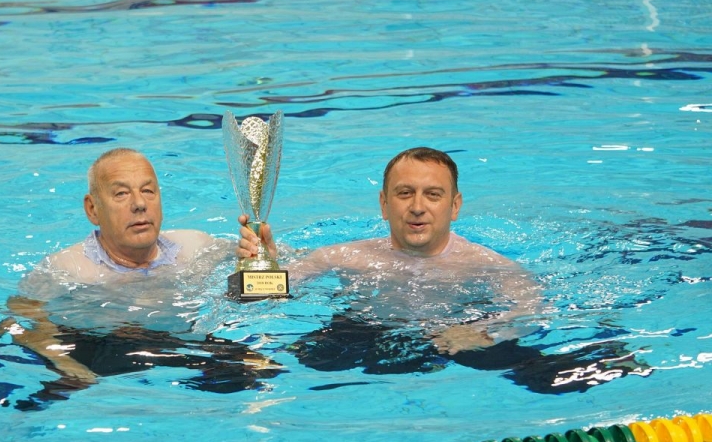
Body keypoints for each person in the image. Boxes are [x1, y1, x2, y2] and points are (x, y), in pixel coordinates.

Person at [236, 147, 647, 393]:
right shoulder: (342, 256)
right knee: (277, 366)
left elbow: (531, 309)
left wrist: (487, 330)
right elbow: (259, 297)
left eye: (433, 195)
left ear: (454, 206)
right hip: (360, 331)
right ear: (384, 204)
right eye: (405, 193)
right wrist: (257, 268)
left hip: (453, 336)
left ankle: (612, 360)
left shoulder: (487, 265)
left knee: (540, 376)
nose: (418, 207)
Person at [0, 147, 281, 405]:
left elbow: (281, 279)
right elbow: (15, 321)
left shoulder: (197, 248)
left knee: (268, 370)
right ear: (93, 209)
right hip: (102, 353)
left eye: (148, 191)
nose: (139, 204)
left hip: (186, 346)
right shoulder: (67, 269)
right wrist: (66, 363)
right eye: (121, 194)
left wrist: (266, 260)